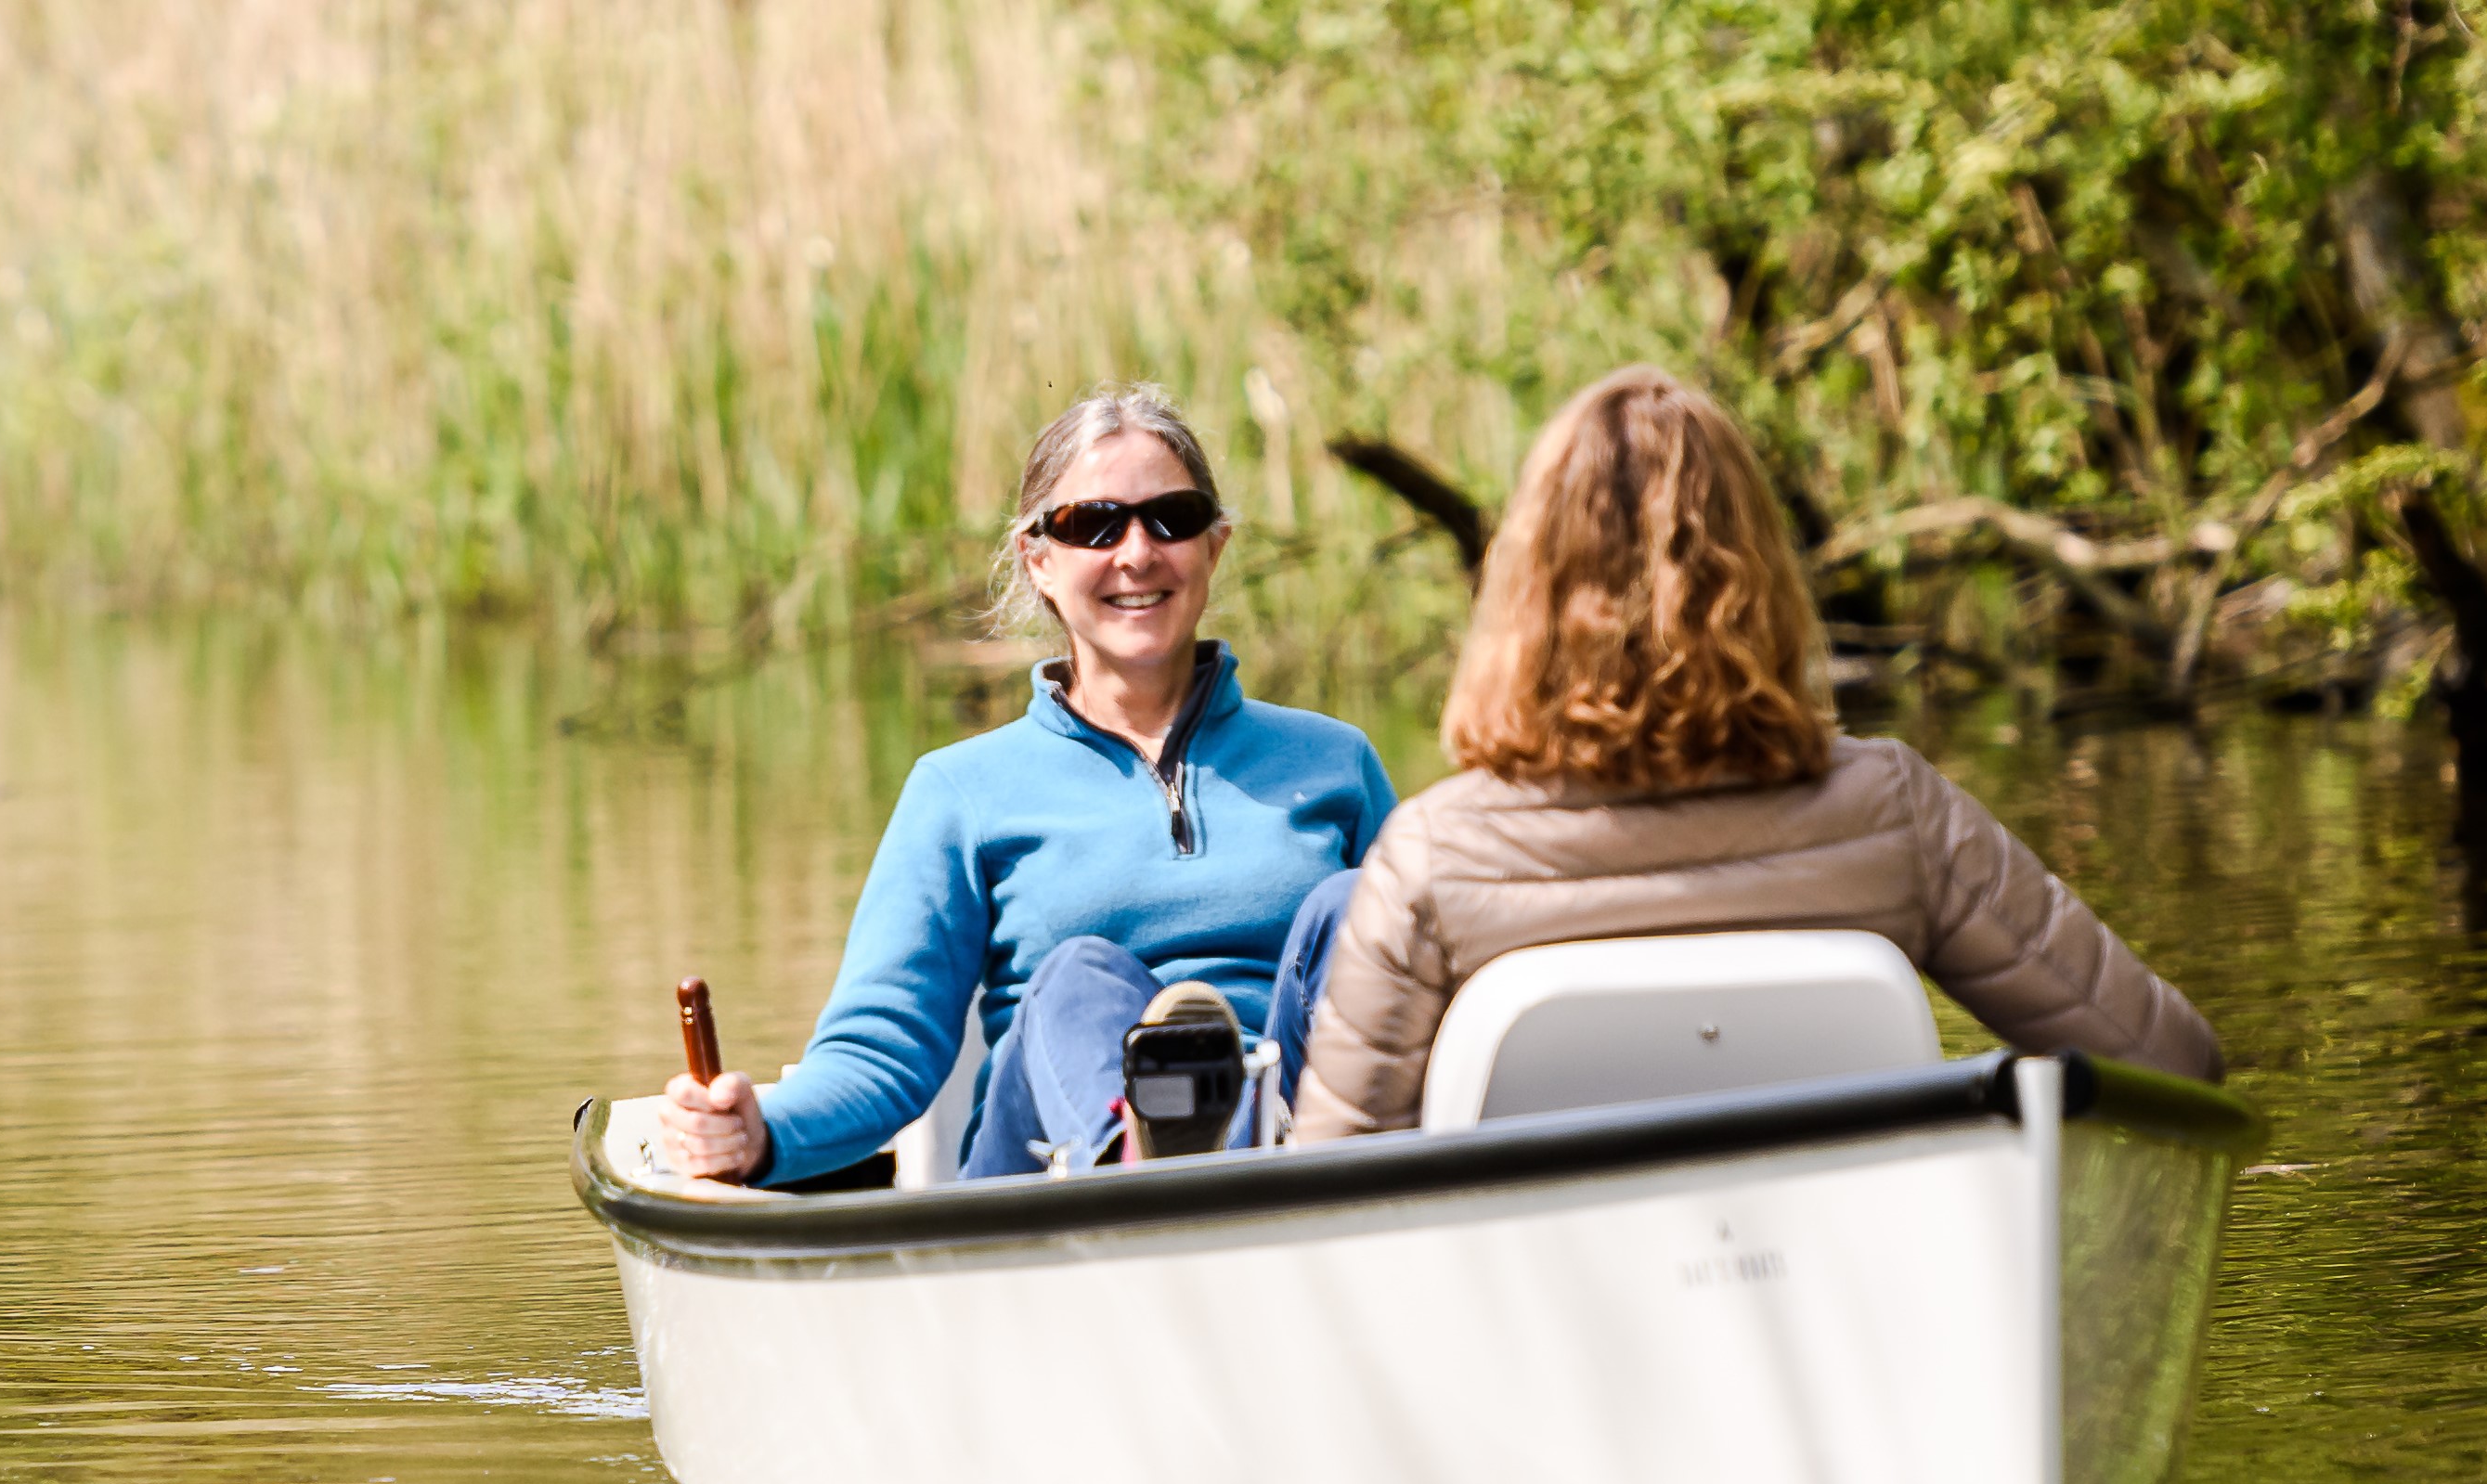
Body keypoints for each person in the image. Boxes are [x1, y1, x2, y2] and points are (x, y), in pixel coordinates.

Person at [1286, 368, 2218, 1140]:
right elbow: (2172, 1065)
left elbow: (1329, 1200)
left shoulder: (1431, 855)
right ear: (1763, 573)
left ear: (1527, 590)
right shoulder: (1895, 812)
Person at [654, 387, 1396, 1184]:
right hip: (1052, 1181)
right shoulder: (960, 791)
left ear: (1213, 546)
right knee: (1078, 978)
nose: (1137, 552)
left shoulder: (1333, 761)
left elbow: (1442, 975)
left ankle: (1292, 1164)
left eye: (1171, 517)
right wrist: (760, 1133)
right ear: (1038, 560)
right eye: (1094, 525)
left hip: (1292, 1144)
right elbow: (882, 1048)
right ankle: (1141, 1155)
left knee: (1357, 906)